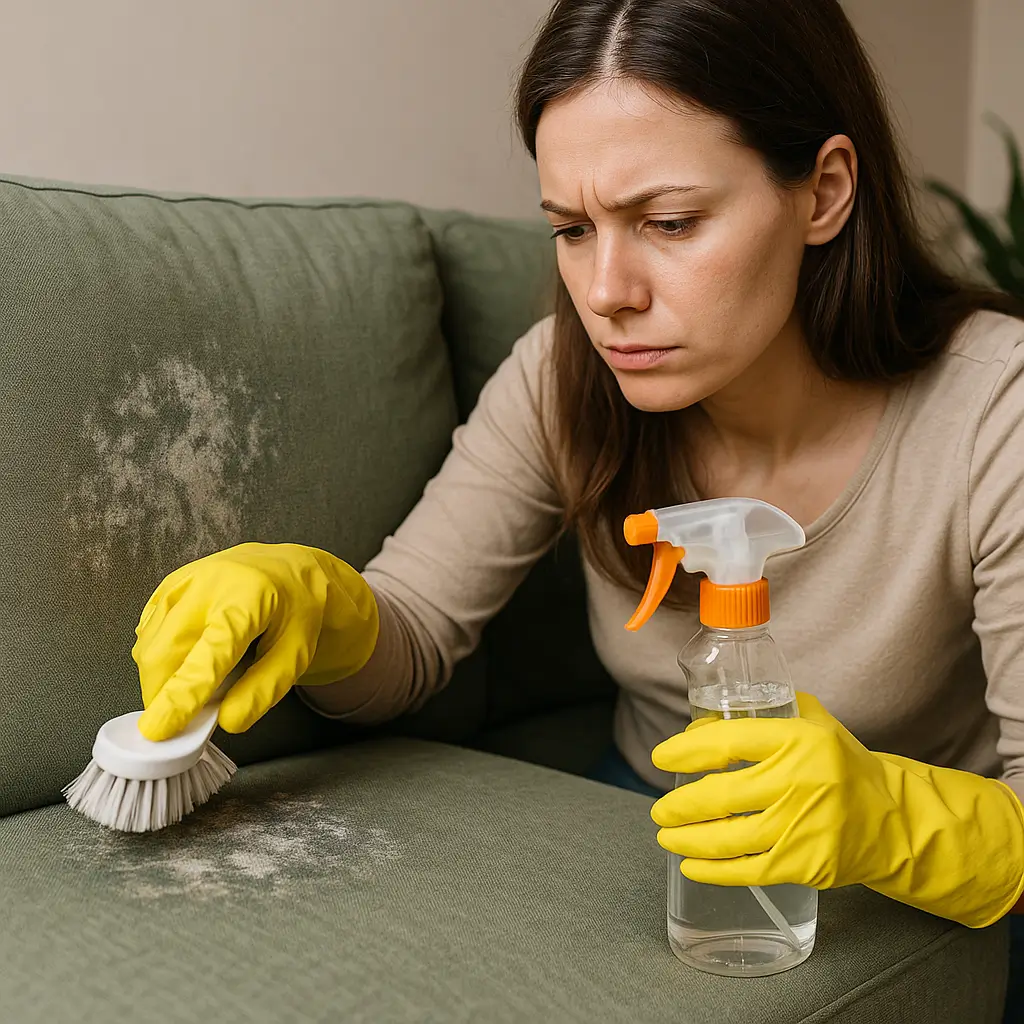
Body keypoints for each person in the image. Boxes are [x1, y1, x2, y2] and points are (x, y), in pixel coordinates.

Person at [130, 0, 1024, 1015]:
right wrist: (318, 607)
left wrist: (891, 818)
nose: (605, 293)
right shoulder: (568, 378)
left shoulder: (997, 411)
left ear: (822, 192)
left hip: (926, 884)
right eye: (570, 228)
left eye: (670, 222)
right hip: (641, 812)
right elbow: (412, 633)